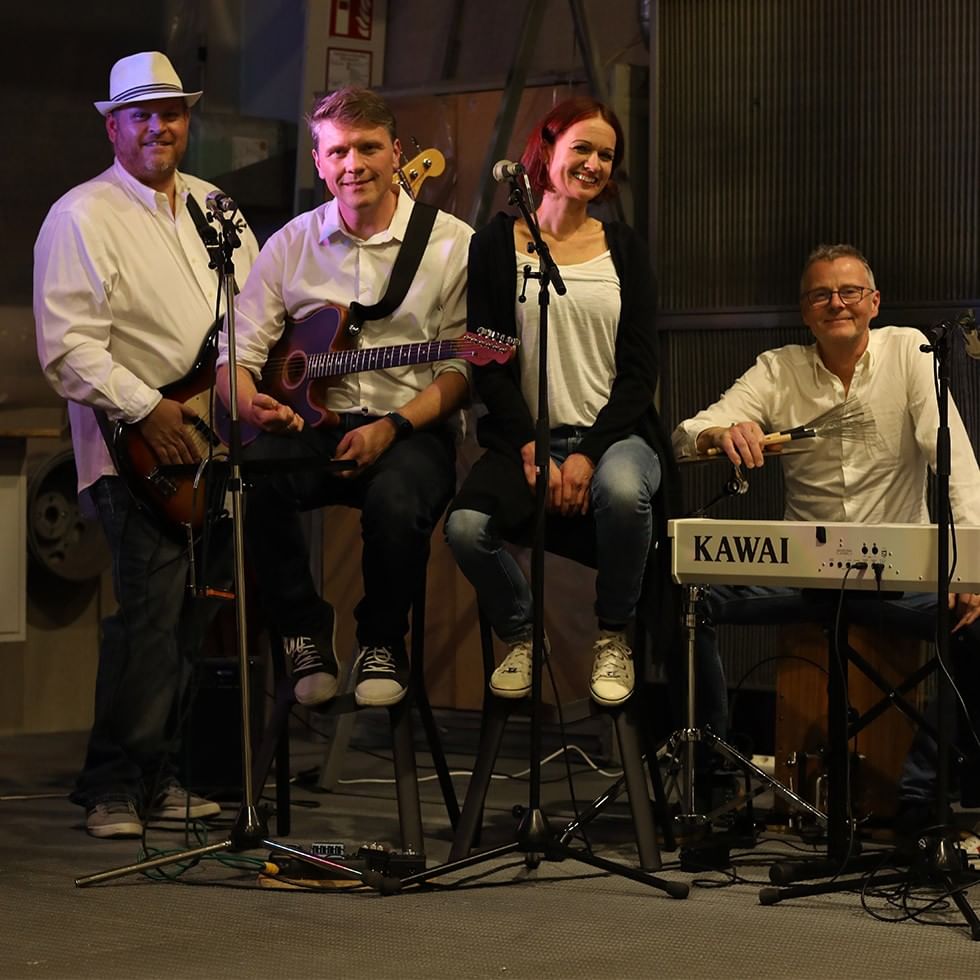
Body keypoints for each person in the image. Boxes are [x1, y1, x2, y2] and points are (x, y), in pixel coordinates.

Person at [672, 243, 980, 825]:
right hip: (805, 575)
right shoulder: (777, 368)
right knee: (687, 600)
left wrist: (971, 569)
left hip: (899, 578)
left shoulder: (911, 352)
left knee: (979, 625)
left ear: (874, 303)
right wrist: (724, 434)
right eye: (821, 295)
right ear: (805, 311)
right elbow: (689, 432)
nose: (836, 302)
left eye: (849, 292)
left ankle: (918, 793)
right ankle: (711, 775)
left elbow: (957, 465)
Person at [34, 51, 260, 838]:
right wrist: (147, 408)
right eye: (142, 114)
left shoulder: (216, 208)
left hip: (213, 442)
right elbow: (65, 347)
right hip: (130, 449)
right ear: (113, 126)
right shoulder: (81, 215)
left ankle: (164, 778)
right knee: (149, 618)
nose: (160, 126)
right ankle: (113, 787)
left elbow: (254, 315)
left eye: (172, 112)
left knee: (196, 618)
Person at [215, 87, 471, 710]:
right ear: (318, 161)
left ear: (396, 152)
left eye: (368, 148)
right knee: (251, 479)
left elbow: (467, 365)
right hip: (311, 427)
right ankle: (302, 627)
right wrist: (252, 405)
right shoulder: (290, 245)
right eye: (338, 151)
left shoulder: (452, 243)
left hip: (409, 428)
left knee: (397, 498)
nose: (353, 164)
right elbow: (234, 360)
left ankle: (383, 640)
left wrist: (394, 427)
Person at [444, 96, 677, 707]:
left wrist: (587, 455)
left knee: (625, 493)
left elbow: (639, 372)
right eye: (583, 148)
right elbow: (486, 361)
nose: (595, 163)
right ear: (547, 151)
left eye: (607, 155)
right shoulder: (495, 244)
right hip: (527, 439)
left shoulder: (624, 248)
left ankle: (613, 635)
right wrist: (530, 445)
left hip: (617, 438)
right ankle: (521, 634)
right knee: (467, 528)